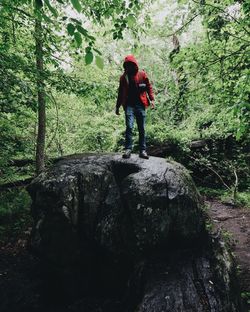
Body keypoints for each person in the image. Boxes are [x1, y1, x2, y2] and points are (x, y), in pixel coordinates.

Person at [115, 55, 155, 159]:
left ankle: (142, 150)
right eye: (127, 65)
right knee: (129, 127)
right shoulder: (123, 77)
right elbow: (120, 92)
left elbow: (149, 87)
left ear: (134, 65)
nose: (129, 67)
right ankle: (128, 149)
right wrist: (117, 106)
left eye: (130, 65)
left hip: (140, 105)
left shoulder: (142, 74)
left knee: (141, 128)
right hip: (129, 106)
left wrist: (152, 100)